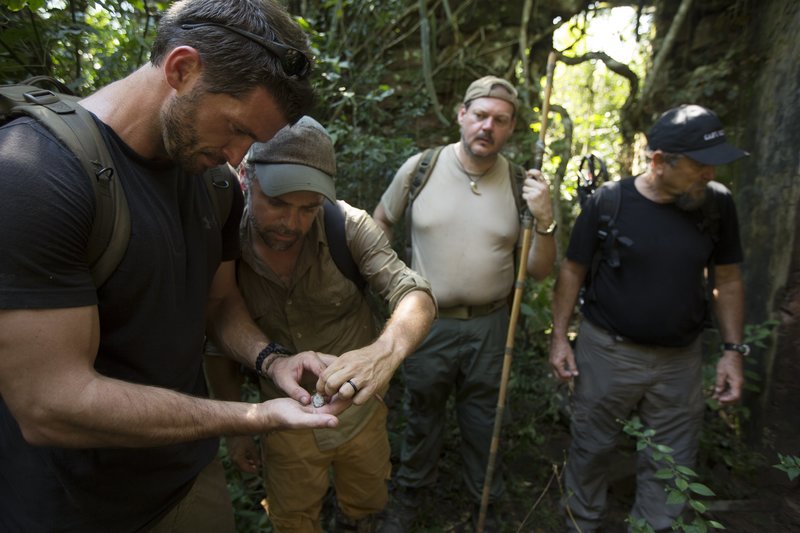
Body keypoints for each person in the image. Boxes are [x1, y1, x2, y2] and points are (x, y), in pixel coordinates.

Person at [0, 1, 350, 531]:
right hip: (71, 507)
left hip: (188, 482)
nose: (237, 157)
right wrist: (252, 416)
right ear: (182, 69)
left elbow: (219, 301)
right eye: (235, 129)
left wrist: (271, 360)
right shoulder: (37, 174)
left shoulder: (210, 183)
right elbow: (50, 405)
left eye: (253, 142)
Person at [204, 116, 437, 532]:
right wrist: (238, 430)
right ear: (246, 178)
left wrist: (383, 354)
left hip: (360, 415)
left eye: (308, 208)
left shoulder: (346, 226)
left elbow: (414, 294)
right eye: (276, 203)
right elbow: (217, 339)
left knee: (366, 505)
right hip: (282, 420)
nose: (291, 224)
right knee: (293, 519)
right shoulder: (225, 243)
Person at [549, 104, 749, 532]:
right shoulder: (608, 202)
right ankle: (580, 523)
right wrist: (560, 338)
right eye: (701, 165)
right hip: (607, 353)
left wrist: (733, 351)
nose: (710, 176)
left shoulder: (717, 206)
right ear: (659, 161)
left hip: (680, 362)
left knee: (671, 461)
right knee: (591, 448)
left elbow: (727, 279)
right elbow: (572, 269)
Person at [372, 75, 557, 531]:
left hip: (493, 327)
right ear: (461, 115)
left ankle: (485, 500)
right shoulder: (421, 168)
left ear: (511, 128)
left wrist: (548, 220)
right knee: (421, 412)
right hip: (426, 322)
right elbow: (380, 223)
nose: (487, 127)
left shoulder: (521, 185)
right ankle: (411, 495)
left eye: (500, 120)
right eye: (480, 116)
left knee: (483, 419)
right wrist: (387, 285)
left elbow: (537, 270)